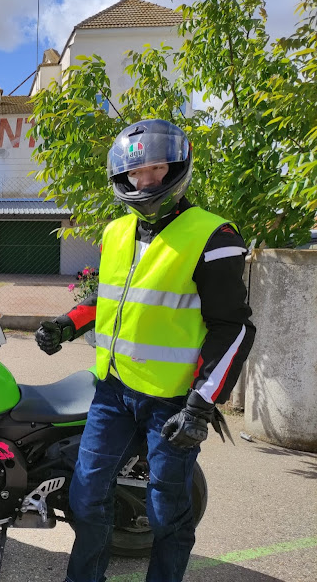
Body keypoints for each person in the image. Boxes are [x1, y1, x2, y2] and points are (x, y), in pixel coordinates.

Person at [35, 119, 255, 582]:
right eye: (137, 173)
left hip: (172, 402)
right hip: (112, 392)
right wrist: (65, 324)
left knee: (166, 512)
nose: (146, 181)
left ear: (176, 168)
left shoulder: (213, 236)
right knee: (86, 496)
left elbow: (233, 328)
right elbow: (113, 300)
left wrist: (202, 403)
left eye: (156, 168)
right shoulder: (116, 232)